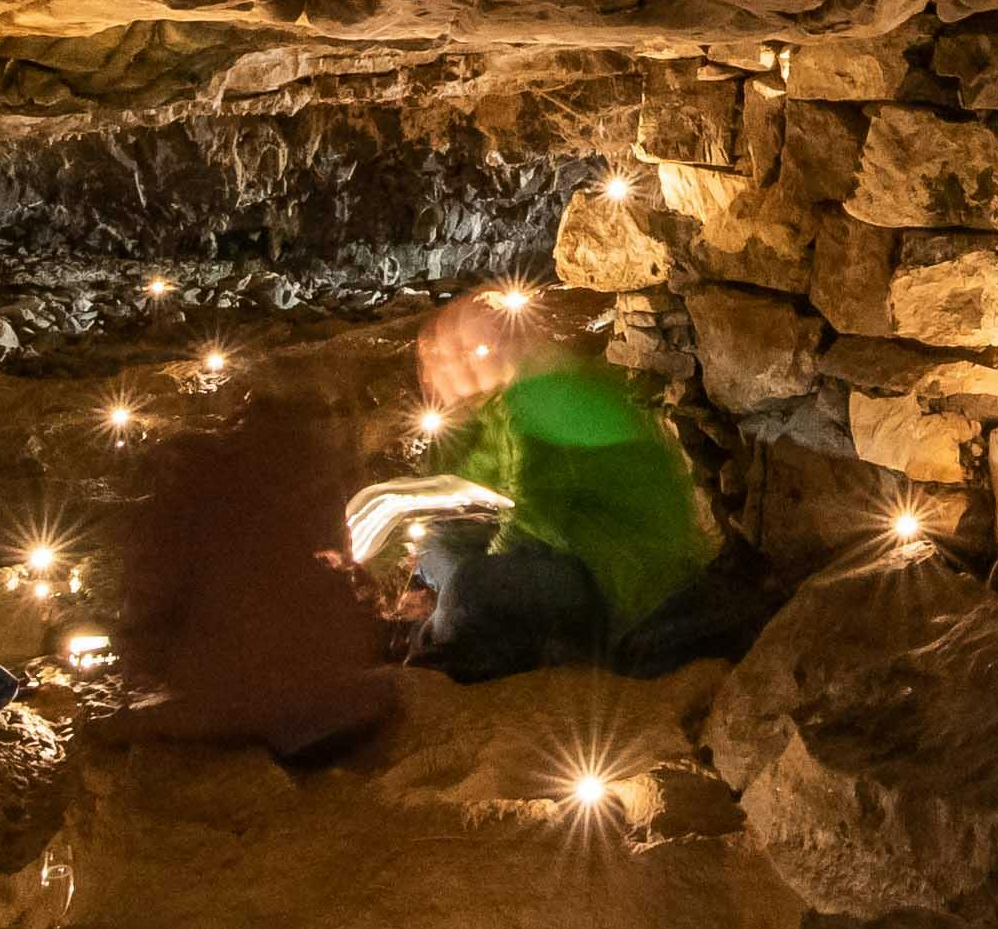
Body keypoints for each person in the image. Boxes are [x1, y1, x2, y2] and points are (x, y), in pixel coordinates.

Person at [399, 291, 731, 679]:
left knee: (472, 586)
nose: (451, 370)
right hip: (577, 555)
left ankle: (454, 644)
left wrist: (469, 581)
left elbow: (533, 518)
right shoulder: (507, 401)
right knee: (441, 545)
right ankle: (453, 627)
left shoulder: (549, 394)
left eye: (466, 352)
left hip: (622, 581)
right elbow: (468, 484)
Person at [100, 391, 408, 764]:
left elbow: (151, 593)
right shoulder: (316, 479)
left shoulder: (191, 483)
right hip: (341, 703)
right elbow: (342, 575)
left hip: (241, 696)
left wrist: (140, 652)